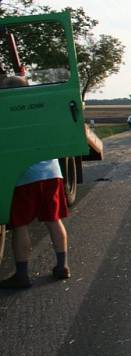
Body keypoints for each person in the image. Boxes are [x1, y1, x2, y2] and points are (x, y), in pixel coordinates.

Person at [0, 78, 71, 289]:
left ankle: (22, 275)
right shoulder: (41, 107)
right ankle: (62, 266)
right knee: (54, 220)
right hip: (51, 172)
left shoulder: (6, 111)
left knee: (20, 225)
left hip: (23, 175)